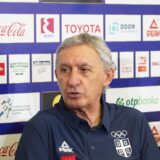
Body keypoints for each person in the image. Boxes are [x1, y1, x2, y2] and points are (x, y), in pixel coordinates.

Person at [15, 33, 160, 160]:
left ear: (107, 76)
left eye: (84, 70)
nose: (72, 81)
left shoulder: (133, 121)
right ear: (56, 75)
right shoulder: (41, 128)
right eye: (65, 70)